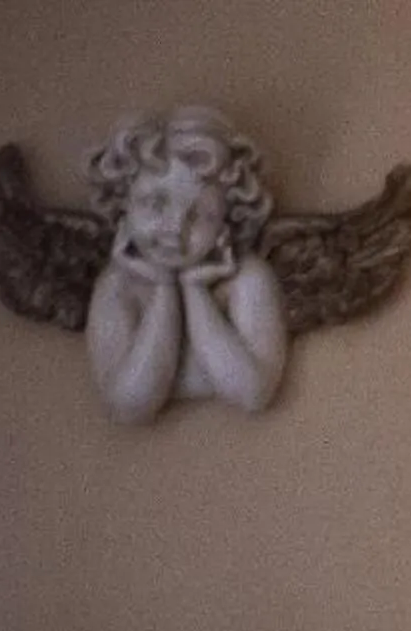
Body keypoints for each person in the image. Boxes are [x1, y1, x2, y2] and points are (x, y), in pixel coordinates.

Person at [83, 107, 290, 422]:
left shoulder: (247, 278)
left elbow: (252, 392)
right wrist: (165, 286)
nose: (175, 228)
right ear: (123, 203)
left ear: (226, 224)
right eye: (156, 204)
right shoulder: (118, 285)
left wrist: (195, 289)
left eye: (201, 215)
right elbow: (130, 404)